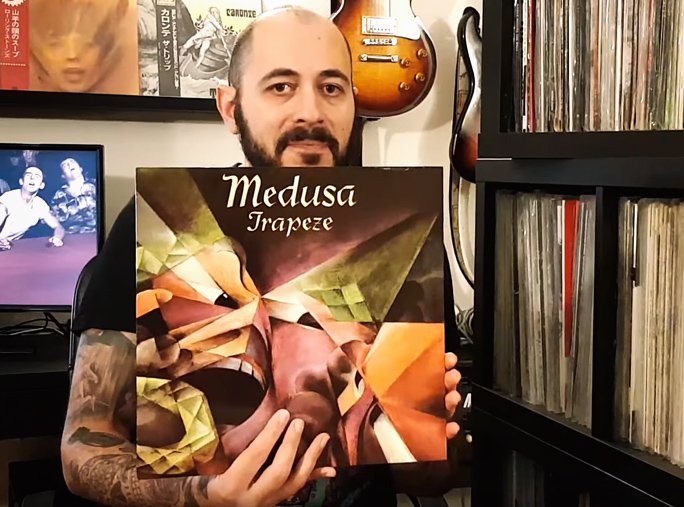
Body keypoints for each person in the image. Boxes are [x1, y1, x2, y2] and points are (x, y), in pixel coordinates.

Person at [61, 7, 464, 507]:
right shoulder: (158, 226)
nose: (311, 112)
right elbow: (82, 450)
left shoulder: (411, 237)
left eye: (331, 87)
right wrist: (206, 495)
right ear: (231, 108)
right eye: (281, 87)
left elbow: (430, 480)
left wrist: (429, 432)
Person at [0, 166, 66, 251]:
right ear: (21, 181)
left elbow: (58, 227)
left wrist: (57, 238)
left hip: (11, 248)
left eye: (37, 176)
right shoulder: (8, 198)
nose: (32, 178)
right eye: (28, 175)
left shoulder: (40, 204)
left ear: (42, 185)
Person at [50, 157, 98, 234]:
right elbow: (58, 222)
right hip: (72, 235)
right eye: (65, 165)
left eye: (72, 162)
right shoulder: (58, 196)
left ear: (81, 169)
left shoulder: (96, 185)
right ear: (63, 175)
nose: (69, 165)